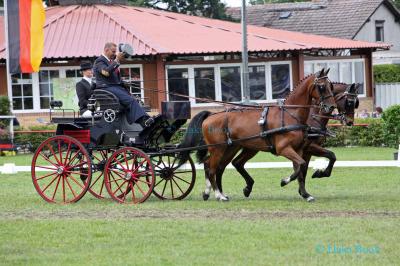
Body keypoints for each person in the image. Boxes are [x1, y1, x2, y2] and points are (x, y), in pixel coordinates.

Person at [93, 42, 154, 127]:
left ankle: (141, 122)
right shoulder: (99, 61)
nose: (115, 54)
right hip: (106, 88)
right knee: (130, 100)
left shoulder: (110, 61)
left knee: (134, 99)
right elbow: (106, 72)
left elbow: (113, 77)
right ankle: (144, 121)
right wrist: (117, 60)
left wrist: (123, 83)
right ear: (106, 50)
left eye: (115, 52)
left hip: (115, 87)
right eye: (113, 52)